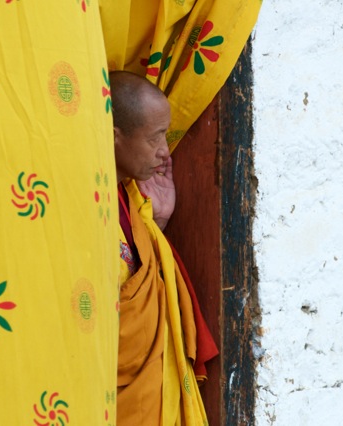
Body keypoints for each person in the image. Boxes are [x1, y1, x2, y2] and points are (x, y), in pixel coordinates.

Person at [110, 70, 210, 425]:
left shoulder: (134, 203)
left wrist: (159, 223)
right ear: (114, 136)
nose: (165, 152)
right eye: (155, 138)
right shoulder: (84, 207)